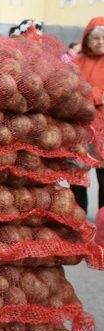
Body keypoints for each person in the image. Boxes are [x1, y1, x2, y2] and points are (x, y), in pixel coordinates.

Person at [70, 17, 104, 214]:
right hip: (79, 129)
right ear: (86, 40)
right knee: (76, 176)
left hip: (103, 130)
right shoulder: (76, 60)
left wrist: (88, 94)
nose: (100, 41)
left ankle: (102, 220)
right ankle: (78, 217)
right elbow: (66, 81)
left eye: (103, 38)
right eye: (96, 38)